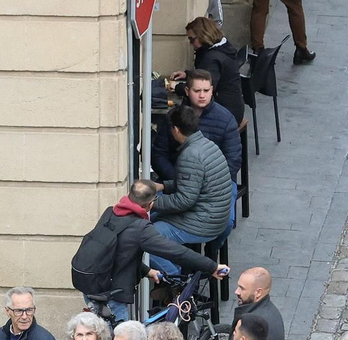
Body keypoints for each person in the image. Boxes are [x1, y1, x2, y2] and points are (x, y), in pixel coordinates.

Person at [79, 179, 222, 323]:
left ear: (128, 194)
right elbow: (175, 252)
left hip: (90, 282)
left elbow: (117, 253)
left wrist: (147, 271)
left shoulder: (110, 212)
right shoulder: (141, 228)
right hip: (110, 293)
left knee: (103, 336)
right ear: (150, 205)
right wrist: (212, 266)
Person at [147, 105, 233, 275]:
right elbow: (195, 184)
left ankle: (176, 281)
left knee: (145, 241)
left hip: (202, 222)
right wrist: (164, 186)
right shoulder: (207, 145)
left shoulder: (190, 155)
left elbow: (184, 200)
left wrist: (152, 203)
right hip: (215, 217)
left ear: (176, 130)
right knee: (153, 220)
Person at [152, 70, 241, 185]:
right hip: (177, 180)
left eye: (206, 90)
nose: (202, 95)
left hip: (217, 185)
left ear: (212, 91)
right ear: (187, 91)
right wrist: (179, 180)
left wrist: (205, 185)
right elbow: (159, 154)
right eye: (197, 91)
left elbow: (233, 161)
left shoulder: (226, 119)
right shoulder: (173, 116)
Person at [180, 16, 245, 122]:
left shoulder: (212, 58)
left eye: (192, 39)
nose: (191, 44)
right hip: (233, 108)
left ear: (203, 36)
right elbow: (211, 73)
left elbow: (203, 88)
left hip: (225, 113)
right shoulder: (222, 48)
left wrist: (178, 88)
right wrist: (188, 74)